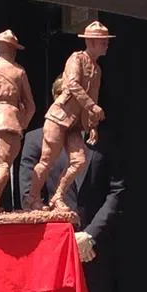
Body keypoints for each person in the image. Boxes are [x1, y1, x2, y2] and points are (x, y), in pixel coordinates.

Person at [19, 74, 125, 292]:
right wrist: (64, 239)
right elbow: (28, 197)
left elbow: (117, 190)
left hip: (93, 250)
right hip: (51, 250)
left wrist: (89, 235)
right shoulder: (35, 140)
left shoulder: (104, 140)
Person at [22, 21, 115, 211]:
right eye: (103, 41)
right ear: (91, 42)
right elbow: (72, 84)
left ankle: (58, 197)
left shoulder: (97, 70)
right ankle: (32, 199)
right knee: (47, 159)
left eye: (106, 41)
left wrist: (93, 126)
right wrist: (92, 106)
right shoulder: (76, 58)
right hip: (59, 117)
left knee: (79, 161)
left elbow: (94, 99)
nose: (106, 44)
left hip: (75, 124)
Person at [0, 29, 35, 206]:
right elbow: (31, 105)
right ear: (13, 49)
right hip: (10, 120)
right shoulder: (19, 72)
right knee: (3, 165)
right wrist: (23, 124)